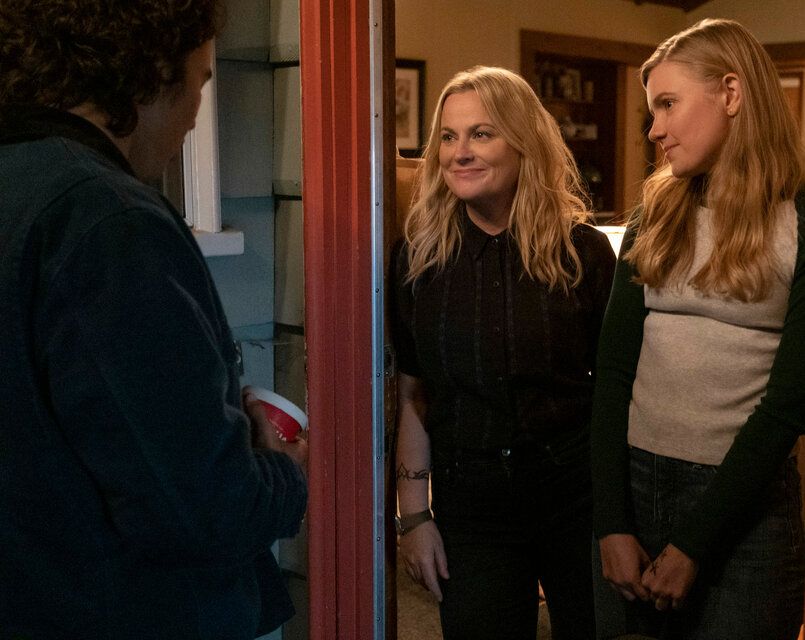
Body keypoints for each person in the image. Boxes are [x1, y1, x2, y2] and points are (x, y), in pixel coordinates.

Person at [0, 2, 308, 638]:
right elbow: (198, 508)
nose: (195, 114)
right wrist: (284, 473)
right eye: (200, 81)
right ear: (153, 68)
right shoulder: (105, 221)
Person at [591, 18, 805, 640]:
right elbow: (612, 372)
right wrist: (610, 522)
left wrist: (694, 542)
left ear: (731, 94)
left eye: (667, 104)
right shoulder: (654, 214)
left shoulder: (798, 219)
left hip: (745, 510)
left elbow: (790, 401)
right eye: (651, 110)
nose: (653, 129)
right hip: (634, 487)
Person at [390, 65, 616, 640]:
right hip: (472, 508)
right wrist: (413, 516)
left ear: (523, 142)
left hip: (576, 501)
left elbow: (615, 395)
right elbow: (414, 393)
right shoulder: (418, 258)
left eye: (481, 134)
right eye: (448, 136)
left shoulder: (584, 253)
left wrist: (621, 521)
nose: (459, 152)